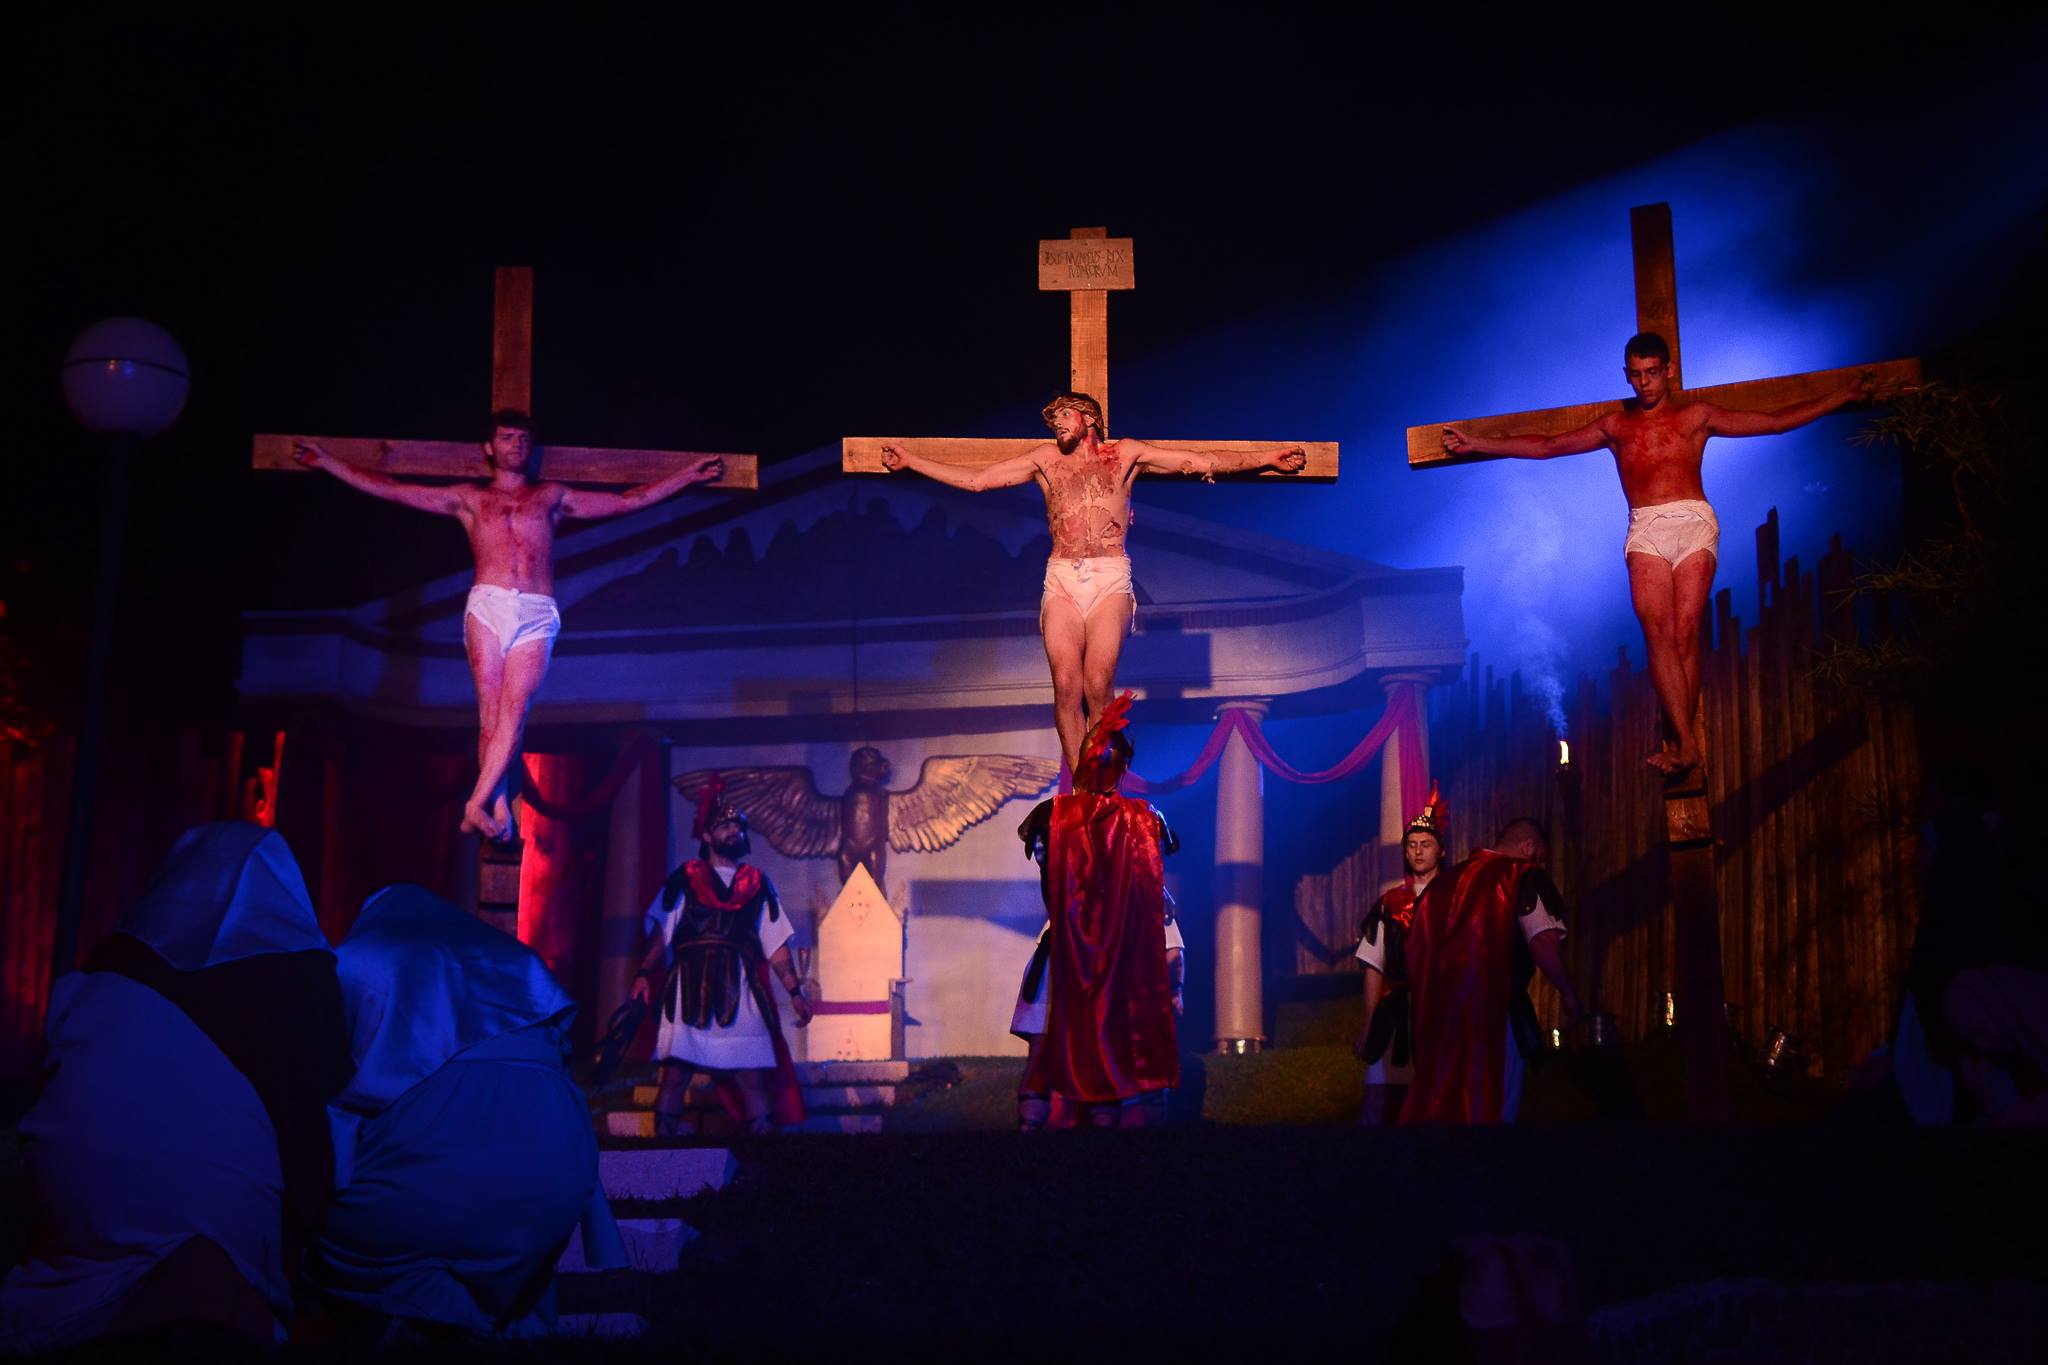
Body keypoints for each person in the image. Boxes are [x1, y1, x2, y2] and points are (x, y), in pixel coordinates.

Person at [1442, 337, 1885, 779]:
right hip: (1646, 528)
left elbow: (1773, 422)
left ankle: (1682, 744)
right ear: (1626, 375)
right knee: (1658, 634)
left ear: (1669, 370)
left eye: (1652, 372)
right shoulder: (1617, 426)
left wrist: (1842, 396)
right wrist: (1478, 442)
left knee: (1687, 633)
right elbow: (1549, 445)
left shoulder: (1696, 417)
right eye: (1636, 375)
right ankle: (1686, 745)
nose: (1644, 383)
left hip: (1693, 521)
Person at [1, 824, 354, 1352]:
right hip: (209, 1247)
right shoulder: (296, 985)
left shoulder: (110, 968)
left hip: (74, 1216)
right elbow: (309, 1139)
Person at [295, 412, 724, 840]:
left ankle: (475, 803)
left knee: (514, 713)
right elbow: (392, 489)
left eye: (522, 438)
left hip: (536, 611)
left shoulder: (550, 497)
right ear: (489, 447)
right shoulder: (469, 499)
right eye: (506, 437)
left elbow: (628, 500)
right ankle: (497, 806)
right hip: (488, 605)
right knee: (489, 717)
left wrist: (686, 476)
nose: (515, 444)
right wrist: (328, 461)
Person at [881, 394, 1306, 771]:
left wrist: (1266, 458)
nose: (1057, 424)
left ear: (1089, 418)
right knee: (1067, 685)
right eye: (1053, 420)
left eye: (1064, 415)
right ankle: (1082, 785)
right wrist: (911, 462)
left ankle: (1106, 776)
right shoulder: (1045, 459)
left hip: (1109, 576)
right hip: (1062, 577)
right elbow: (977, 481)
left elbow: (1198, 461)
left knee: (1098, 684)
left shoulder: (1126, 454)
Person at [307, 883, 625, 1340]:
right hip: (558, 1165)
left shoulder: (364, 959)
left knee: (334, 1231)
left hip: (436, 1166)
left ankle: (416, 1313)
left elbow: (337, 1079)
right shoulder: (514, 961)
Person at [1019, 693, 1180, 1124]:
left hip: (1073, 955)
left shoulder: (1053, 816)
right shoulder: (1146, 818)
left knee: (1057, 1056)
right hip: (1104, 960)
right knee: (1099, 1054)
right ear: (1125, 766)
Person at [631, 784, 812, 1135]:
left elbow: (775, 944)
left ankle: (763, 1158)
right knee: (675, 1077)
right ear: (707, 835)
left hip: (740, 989)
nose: (735, 832)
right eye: (726, 826)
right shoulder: (685, 878)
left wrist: (794, 991)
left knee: (752, 1080)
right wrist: (642, 974)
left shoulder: (757, 883)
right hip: (689, 989)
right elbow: (662, 933)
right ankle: (659, 1155)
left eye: (739, 827)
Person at [1401, 817, 1583, 1124]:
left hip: (1439, 1018)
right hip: (1495, 1013)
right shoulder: (1519, 875)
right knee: (1493, 1105)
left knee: (1445, 1103)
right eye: (1539, 857)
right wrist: (1568, 993)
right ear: (1529, 847)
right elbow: (1542, 939)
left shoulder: (1441, 885)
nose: (1539, 864)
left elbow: (1417, 953)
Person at [1352, 785, 1448, 1125]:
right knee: (1382, 1099)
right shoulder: (1391, 903)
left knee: (1440, 1097)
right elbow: (1374, 967)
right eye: (1412, 845)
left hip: (1443, 1010)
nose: (1418, 851)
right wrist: (1368, 1022)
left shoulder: (1457, 900)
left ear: (1441, 850)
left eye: (1426, 844)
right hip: (1396, 1011)